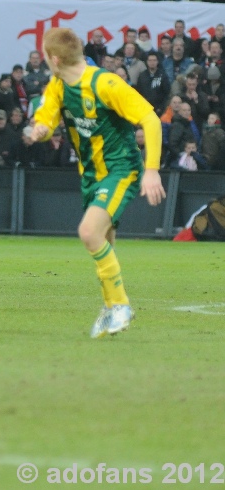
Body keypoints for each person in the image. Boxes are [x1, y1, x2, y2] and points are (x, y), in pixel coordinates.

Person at [29, 27, 165, 339]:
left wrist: (152, 170)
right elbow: (47, 121)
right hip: (91, 176)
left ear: (53, 58)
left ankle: (120, 306)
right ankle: (109, 307)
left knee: (88, 232)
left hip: (121, 170)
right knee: (105, 241)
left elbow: (151, 119)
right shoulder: (59, 85)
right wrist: (39, 130)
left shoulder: (105, 83)